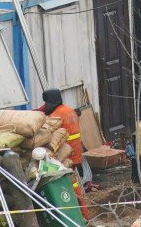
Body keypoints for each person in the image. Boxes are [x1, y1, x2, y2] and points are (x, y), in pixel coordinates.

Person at [38, 89, 90, 219]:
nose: (46, 105)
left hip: (67, 155)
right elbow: (44, 109)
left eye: (46, 102)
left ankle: (83, 214)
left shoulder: (56, 116)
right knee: (74, 183)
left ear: (51, 101)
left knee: (70, 183)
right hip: (76, 152)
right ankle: (84, 214)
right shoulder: (68, 110)